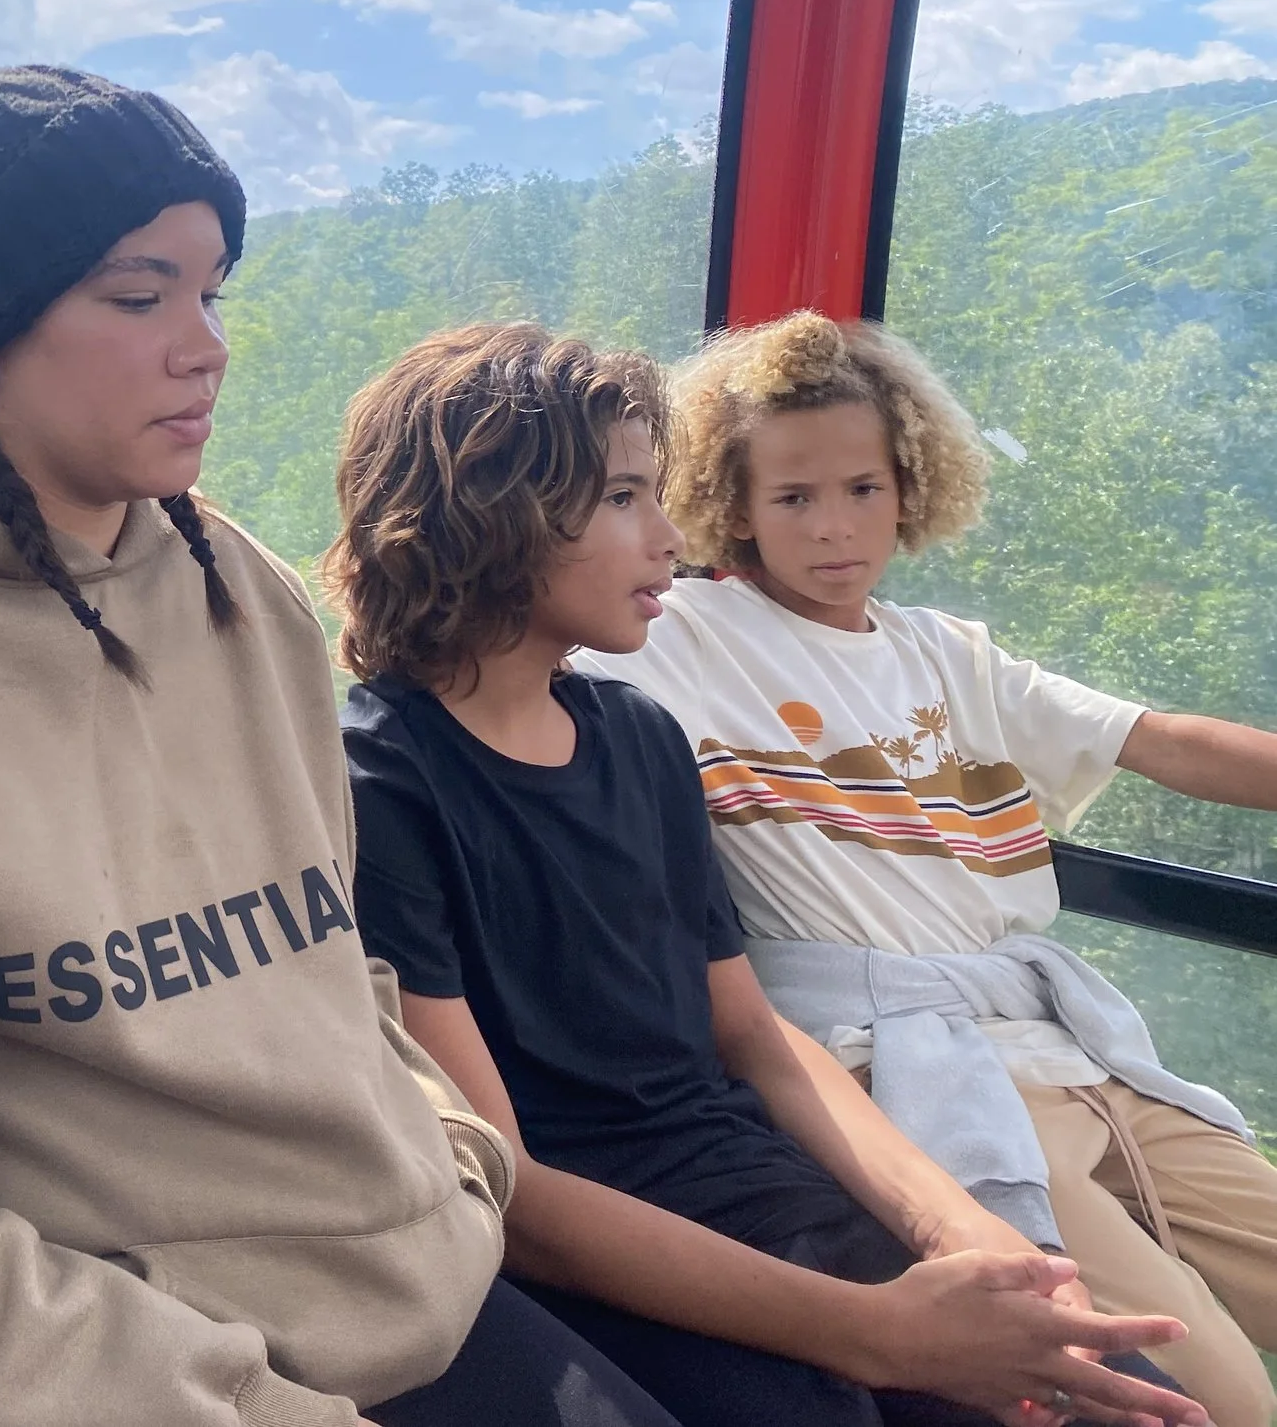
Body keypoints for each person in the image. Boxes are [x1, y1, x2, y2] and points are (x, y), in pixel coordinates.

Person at [0, 66, 692, 1427]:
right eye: (137, 291)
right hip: (106, 1380)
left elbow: (333, 970)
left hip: (422, 1298)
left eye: (211, 288)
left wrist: (456, 1169)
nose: (205, 342)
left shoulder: (243, 589)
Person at [329, 321, 1202, 1427]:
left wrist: (970, 1235)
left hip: (744, 1178)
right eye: (623, 499)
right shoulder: (380, 783)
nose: (670, 535)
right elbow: (512, 1188)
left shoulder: (639, 737)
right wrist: (879, 1336)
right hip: (593, 1245)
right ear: (490, 514)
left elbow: (753, 1038)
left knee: (1120, 1398)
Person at [571, 309, 1277, 1427]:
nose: (832, 528)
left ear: (910, 484)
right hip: (898, 1062)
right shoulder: (685, 637)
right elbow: (526, 651)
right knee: (1212, 1393)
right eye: (791, 498)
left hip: (1070, 1048)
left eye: (861, 488)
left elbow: (1165, 740)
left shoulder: (949, 653)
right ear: (735, 509)